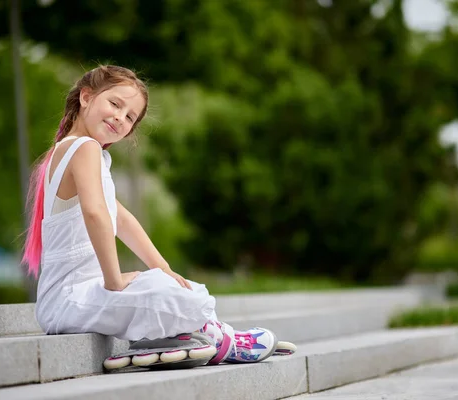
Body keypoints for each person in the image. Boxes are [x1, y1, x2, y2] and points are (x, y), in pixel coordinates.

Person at [22, 65, 277, 366]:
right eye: (115, 104)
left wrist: (163, 268)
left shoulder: (79, 151)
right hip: (70, 300)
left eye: (130, 116)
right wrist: (114, 280)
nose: (120, 117)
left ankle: (196, 332)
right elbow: (96, 214)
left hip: (72, 300)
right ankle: (218, 338)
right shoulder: (84, 148)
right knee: (182, 297)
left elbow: (121, 219)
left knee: (180, 288)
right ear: (86, 97)